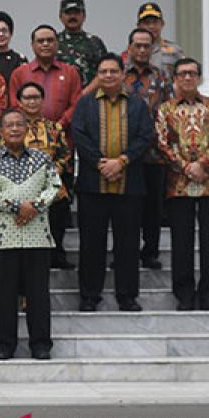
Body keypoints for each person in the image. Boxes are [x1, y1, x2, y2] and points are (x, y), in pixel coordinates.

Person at [71, 53, 155, 313]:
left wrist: (122, 161)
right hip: (92, 186)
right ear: (97, 75)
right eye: (103, 72)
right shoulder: (85, 104)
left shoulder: (138, 105)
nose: (108, 76)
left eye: (113, 71)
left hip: (128, 185)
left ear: (122, 74)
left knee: (128, 244)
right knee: (91, 245)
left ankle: (127, 296)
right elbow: (79, 135)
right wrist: (101, 164)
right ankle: (89, 296)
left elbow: (146, 136)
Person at [0, 109, 62, 360]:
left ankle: (41, 344)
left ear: (27, 129)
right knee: (4, 296)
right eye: (9, 125)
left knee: (38, 295)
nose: (14, 129)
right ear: (0, 131)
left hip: (38, 236)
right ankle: (3, 345)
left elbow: (54, 186)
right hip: (3, 239)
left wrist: (33, 206)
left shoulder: (42, 159)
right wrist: (18, 207)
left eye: (19, 124)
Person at [156, 58, 209, 311]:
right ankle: (184, 295)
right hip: (178, 184)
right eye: (183, 74)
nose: (188, 78)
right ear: (175, 79)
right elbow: (162, 143)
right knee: (181, 242)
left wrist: (203, 164)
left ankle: (208, 293)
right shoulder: (165, 109)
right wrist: (186, 167)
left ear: (199, 77)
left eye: (192, 73)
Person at [124, 27, 173, 272]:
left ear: (152, 48)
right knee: (126, 209)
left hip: (154, 153)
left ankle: (150, 251)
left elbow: (170, 111)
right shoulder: (119, 74)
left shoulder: (162, 77)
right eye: (138, 45)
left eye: (146, 45)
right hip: (124, 154)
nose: (142, 50)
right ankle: (124, 252)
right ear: (130, 47)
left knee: (153, 208)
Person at [15, 82, 75, 269]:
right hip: (23, 186)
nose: (32, 102)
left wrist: (52, 172)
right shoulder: (12, 127)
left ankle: (57, 255)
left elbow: (65, 155)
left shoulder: (54, 128)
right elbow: (5, 154)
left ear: (42, 101)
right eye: (27, 98)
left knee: (59, 210)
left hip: (52, 184)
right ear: (19, 102)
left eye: (36, 98)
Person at [8, 25, 83, 125]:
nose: (45, 44)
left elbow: (76, 104)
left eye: (50, 40)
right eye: (40, 41)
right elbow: (15, 105)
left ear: (57, 44)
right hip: (27, 134)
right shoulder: (19, 73)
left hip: (63, 134)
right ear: (32, 45)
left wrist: (59, 125)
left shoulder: (70, 72)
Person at [56, 0, 109, 92]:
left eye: (76, 13)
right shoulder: (53, 42)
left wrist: (83, 94)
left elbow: (105, 72)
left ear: (84, 16)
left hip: (90, 98)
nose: (72, 17)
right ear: (60, 17)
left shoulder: (95, 43)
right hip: (59, 98)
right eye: (68, 13)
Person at [131, 2, 186, 78]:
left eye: (155, 22)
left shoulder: (174, 50)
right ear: (138, 25)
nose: (151, 26)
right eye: (147, 23)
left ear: (162, 24)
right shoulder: (132, 50)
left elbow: (184, 75)